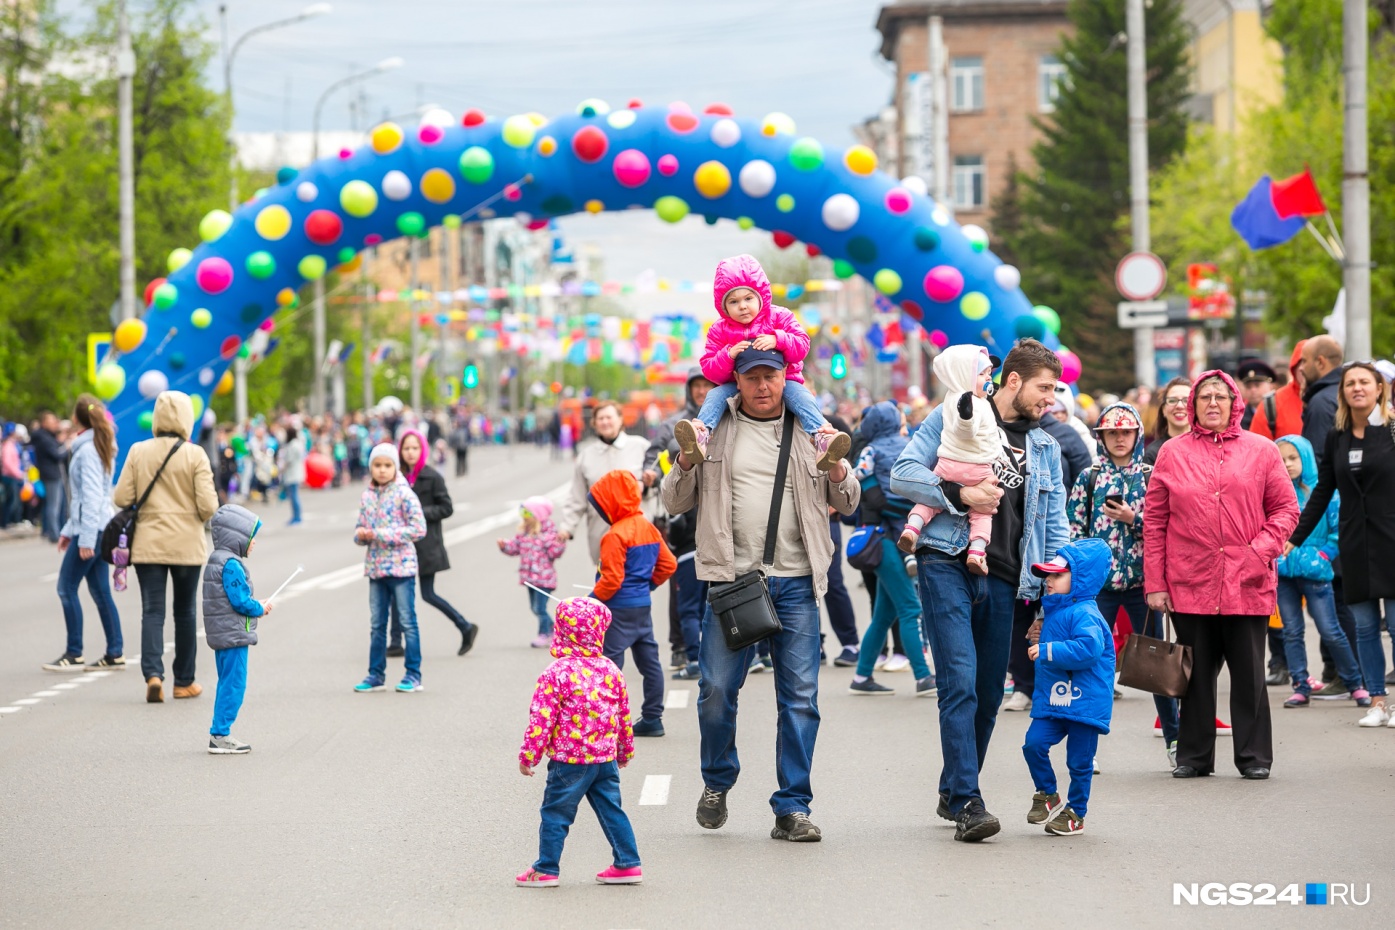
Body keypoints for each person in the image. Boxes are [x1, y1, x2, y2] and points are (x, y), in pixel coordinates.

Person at [662, 346, 859, 843]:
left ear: (785, 378)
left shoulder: (814, 430)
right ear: (737, 382)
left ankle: (792, 807)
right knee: (716, 692)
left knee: (800, 701)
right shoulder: (713, 430)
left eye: (772, 376)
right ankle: (716, 781)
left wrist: (835, 468)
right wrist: (688, 458)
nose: (763, 386)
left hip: (795, 583)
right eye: (753, 378)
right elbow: (673, 499)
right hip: (732, 581)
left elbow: (849, 501)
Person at [890, 338, 1068, 842]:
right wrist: (957, 494)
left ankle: (952, 789)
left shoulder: (1046, 446)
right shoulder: (954, 416)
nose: (1049, 399)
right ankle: (969, 800)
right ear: (1013, 381)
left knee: (990, 692)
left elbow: (1054, 525)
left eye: (1053, 390)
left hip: (1008, 577)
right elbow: (902, 474)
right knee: (960, 682)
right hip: (945, 558)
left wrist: (1053, 589)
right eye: (1043, 388)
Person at [1143, 372, 1299, 780]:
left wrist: (1258, 552)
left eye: (1220, 397)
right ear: (1192, 405)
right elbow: (1155, 521)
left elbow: (1286, 510)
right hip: (1189, 579)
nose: (1212, 403)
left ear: (1235, 404)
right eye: (1204, 397)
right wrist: (1156, 583)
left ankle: (1253, 757)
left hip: (1247, 581)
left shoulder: (1262, 450)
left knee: (1249, 674)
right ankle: (1193, 757)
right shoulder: (1172, 453)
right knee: (1194, 673)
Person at [1066, 402, 1180, 766]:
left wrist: (1134, 518)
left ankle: (1175, 741)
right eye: (1111, 433)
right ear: (1101, 437)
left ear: (1137, 435)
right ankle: (1085, 747)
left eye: (1125, 432)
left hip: (1142, 584)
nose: (1119, 439)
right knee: (1091, 662)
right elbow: (1073, 530)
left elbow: (1167, 527)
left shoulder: (1151, 474)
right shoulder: (1089, 477)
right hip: (1097, 588)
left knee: (1158, 664)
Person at [1287, 361, 1395, 727]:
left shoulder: (1393, 429)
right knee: (1364, 628)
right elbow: (1322, 492)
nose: (1358, 388)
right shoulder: (1338, 436)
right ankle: (1377, 701)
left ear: (1380, 388)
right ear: (1343, 392)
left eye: (1365, 382)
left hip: (1392, 541)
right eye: (1351, 383)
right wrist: (1293, 538)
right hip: (1356, 545)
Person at [674, 253, 849, 471]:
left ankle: (822, 436)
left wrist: (779, 339)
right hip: (734, 383)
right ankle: (701, 435)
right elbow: (709, 369)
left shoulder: (779, 317)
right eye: (734, 301)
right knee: (714, 395)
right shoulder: (719, 329)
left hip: (785, 380)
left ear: (761, 296)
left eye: (748, 298)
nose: (743, 306)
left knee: (803, 398)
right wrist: (728, 355)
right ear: (723, 306)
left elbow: (802, 345)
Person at [516, 597, 641, 888]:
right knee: (612, 809)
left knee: (556, 813)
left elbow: (541, 720)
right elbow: (622, 714)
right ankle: (628, 863)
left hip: (569, 762)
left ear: (561, 630)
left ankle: (546, 869)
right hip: (605, 760)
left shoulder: (556, 673)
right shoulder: (611, 669)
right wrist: (624, 750)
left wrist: (529, 756)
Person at [113, 391, 220, 704]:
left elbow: (121, 498)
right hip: (187, 544)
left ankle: (153, 674)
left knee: (153, 611)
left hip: (148, 543)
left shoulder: (138, 451)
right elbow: (208, 506)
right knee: (185, 613)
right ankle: (184, 681)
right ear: (187, 418)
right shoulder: (195, 454)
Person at [1021, 538, 1115, 836]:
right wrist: (1039, 635)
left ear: (1081, 579)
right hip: (1055, 698)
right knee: (1033, 744)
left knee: (1079, 761)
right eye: (1048, 575)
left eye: (1057, 575)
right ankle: (1048, 793)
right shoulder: (1054, 609)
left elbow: (1089, 649)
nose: (1049, 581)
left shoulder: (1085, 612)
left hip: (1085, 701)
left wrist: (1048, 650)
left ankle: (1076, 812)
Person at [847, 401, 936, 697]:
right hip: (904, 538)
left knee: (886, 614)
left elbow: (874, 500)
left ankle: (861, 676)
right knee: (910, 608)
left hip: (881, 538)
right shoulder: (912, 446)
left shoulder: (869, 452)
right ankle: (924, 677)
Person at [1273, 435, 1367, 708]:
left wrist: (1323, 556)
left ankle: (1354, 683)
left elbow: (1339, 532)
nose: (1287, 464)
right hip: (1283, 574)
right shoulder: (1273, 492)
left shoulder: (1324, 493)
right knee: (1291, 631)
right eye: (1281, 459)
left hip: (1316, 574)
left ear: (1307, 458)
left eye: (1293, 458)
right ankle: (1300, 685)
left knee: (1331, 630)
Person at [588, 469, 677, 737]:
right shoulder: (647, 526)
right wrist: (646, 586)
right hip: (641, 607)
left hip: (617, 609)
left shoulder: (615, 535)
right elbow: (668, 564)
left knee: (609, 666)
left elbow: (612, 580)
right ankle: (652, 717)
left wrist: (590, 602)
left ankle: (606, 722)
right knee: (650, 663)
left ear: (611, 502)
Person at [897, 347, 999, 576]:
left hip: (948, 464)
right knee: (982, 513)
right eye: (983, 375)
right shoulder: (972, 403)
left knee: (930, 500)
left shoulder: (952, 398)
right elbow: (967, 431)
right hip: (978, 468)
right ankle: (977, 552)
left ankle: (912, 528)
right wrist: (966, 416)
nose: (989, 380)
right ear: (965, 376)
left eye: (990, 374)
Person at [644, 367, 717, 673]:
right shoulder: (672, 424)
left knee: (720, 590)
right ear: (689, 390)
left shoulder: (726, 418)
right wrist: (650, 472)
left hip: (717, 513)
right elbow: (654, 457)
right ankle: (681, 647)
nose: (701, 391)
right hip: (682, 517)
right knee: (683, 589)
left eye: (707, 386)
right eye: (696, 386)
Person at [46, 396, 123, 672]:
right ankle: (114, 652)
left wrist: (86, 538)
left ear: (77, 419)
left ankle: (74, 652)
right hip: (98, 525)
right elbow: (86, 499)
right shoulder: (98, 445)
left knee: (66, 588)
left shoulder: (88, 450)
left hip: (93, 529)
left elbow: (89, 498)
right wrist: (69, 531)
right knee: (101, 591)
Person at [352, 443, 427, 694]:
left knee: (407, 622)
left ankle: (413, 675)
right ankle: (375, 675)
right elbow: (360, 528)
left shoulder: (405, 494)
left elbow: (419, 529)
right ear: (371, 467)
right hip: (376, 568)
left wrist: (379, 534)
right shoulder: (367, 495)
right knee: (377, 625)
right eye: (377, 465)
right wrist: (361, 535)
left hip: (402, 568)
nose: (382, 470)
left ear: (395, 467)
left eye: (387, 465)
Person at [397, 429, 479, 656]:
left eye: (415, 448)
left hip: (426, 545)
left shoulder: (432, 476)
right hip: (401, 545)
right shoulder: (398, 477)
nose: (410, 453)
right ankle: (395, 642)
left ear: (423, 450)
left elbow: (447, 507)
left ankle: (465, 626)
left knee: (427, 594)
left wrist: (419, 512)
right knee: (397, 591)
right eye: (406, 448)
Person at [203, 504, 269, 754]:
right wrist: (259, 607)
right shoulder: (231, 564)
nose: (253, 543)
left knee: (226, 681)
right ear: (238, 536)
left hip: (223, 633)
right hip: (233, 635)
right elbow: (240, 600)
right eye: (251, 538)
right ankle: (220, 733)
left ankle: (219, 731)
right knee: (234, 684)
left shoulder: (217, 560)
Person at [557, 402, 647, 563]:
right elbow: (577, 497)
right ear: (594, 423)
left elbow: (663, 482)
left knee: (635, 583)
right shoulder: (586, 456)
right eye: (600, 418)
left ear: (620, 419)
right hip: (601, 533)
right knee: (607, 582)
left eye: (609, 417)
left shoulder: (640, 447)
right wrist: (567, 527)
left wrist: (648, 485)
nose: (605, 422)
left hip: (637, 533)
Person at [498, 496, 568, 648]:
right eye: (522, 512)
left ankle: (545, 634)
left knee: (540, 608)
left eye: (527, 513)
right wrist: (504, 545)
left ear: (538, 515)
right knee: (534, 608)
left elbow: (555, 553)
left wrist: (560, 542)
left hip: (545, 580)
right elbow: (515, 548)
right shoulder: (524, 533)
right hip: (529, 578)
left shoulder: (548, 534)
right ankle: (557, 630)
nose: (523, 516)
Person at [1299, 335, 1344, 457]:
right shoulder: (1345, 392)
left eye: (1304, 361)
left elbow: (1317, 456)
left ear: (1320, 362)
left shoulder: (1321, 402)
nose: (1301, 368)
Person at [1250, 342, 1307, 440]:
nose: (1306, 368)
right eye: (1303, 362)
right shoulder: (1272, 404)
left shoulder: (1337, 399)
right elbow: (1257, 450)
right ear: (1295, 367)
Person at [31, 410, 67, 543]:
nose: (55, 424)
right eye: (52, 421)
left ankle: (48, 530)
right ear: (44, 423)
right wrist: (65, 446)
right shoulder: (43, 438)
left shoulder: (46, 437)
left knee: (51, 505)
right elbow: (57, 455)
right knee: (54, 505)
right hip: (51, 475)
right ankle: (54, 534)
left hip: (50, 474)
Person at [1142, 377, 1192, 467]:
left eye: (1186, 400)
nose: (1179, 406)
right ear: (1164, 409)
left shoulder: (1207, 447)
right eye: (1172, 400)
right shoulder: (1153, 453)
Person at [1236, 359, 1277, 431]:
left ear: (1271, 386)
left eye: (1257, 385)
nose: (1253, 390)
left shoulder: (1280, 410)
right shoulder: (1238, 417)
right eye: (1248, 387)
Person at [277, 424, 305, 526]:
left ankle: (297, 517)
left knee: (294, 496)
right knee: (294, 496)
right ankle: (296, 516)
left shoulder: (292, 445)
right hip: (296, 473)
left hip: (292, 474)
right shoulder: (297, 443)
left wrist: (282, 469)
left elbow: (289, 460)